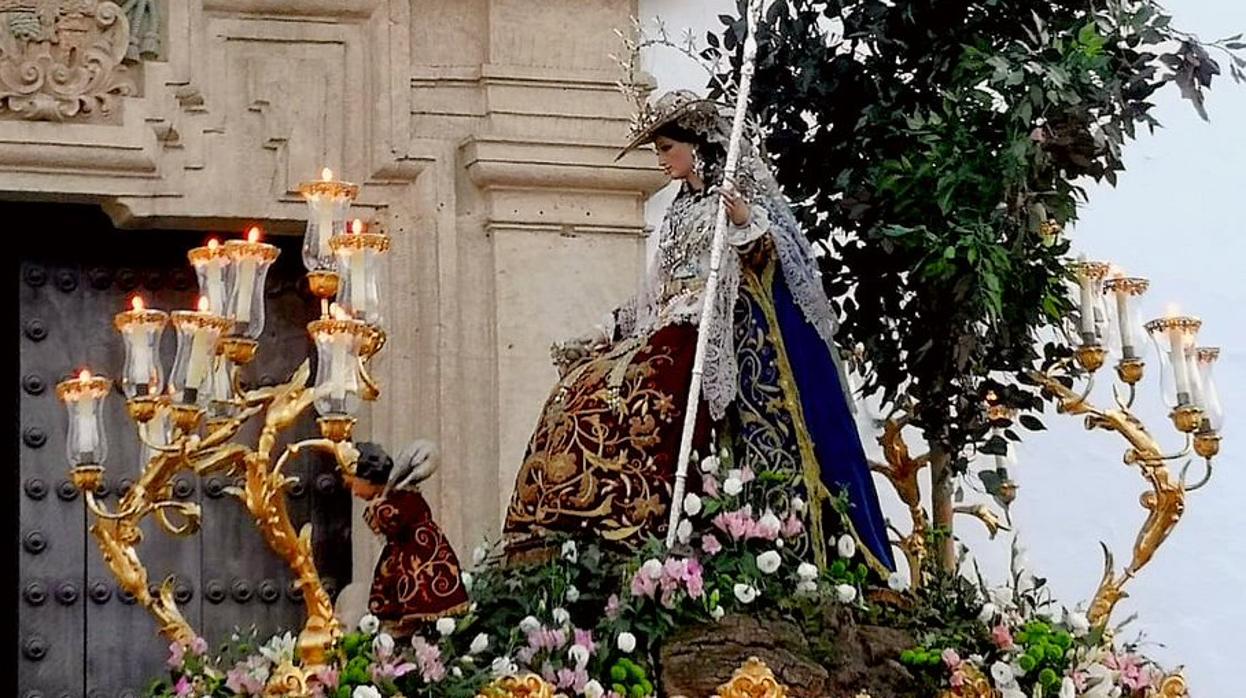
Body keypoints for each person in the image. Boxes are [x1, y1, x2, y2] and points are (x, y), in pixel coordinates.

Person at [503, 90, 894, 573]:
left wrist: (744, 223)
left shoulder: (728, 201)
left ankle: (632, 521)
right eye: (657, 151)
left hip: (707, 329)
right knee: (580, 387)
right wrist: (606, 328)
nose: (661, 161)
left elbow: (769, 264)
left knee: (639, 394)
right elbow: (654, 291)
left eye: (667, 148)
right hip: (664, 325)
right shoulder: (677, 211)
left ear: (697, 144)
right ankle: (566, 526)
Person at [344, 441, 469, 637]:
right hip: (403, 562)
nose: (353, 492)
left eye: (353, 483)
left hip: (419, 563)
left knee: (411, 616)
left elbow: (394, 520)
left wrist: (378, 507)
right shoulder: (394, 497)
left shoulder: (404, 497)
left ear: (368, 479)